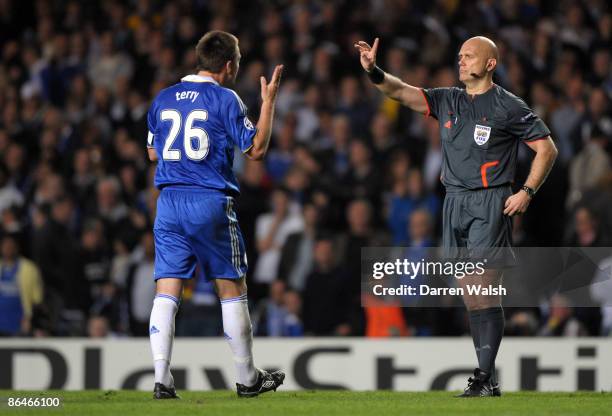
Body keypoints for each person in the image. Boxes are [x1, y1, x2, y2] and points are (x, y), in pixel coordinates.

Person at [355, 36, 558, 396]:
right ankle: (488, 378)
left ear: (490, 64)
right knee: (469, 293)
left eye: (469, 56)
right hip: (454, 202)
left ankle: (483, 375)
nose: (460, 61)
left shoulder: (507, 106)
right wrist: (374, 71)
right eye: (459, 55)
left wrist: (526, 192)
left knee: (481, 288)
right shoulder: (447, 99)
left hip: (488, 202)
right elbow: (400, 92)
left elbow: (547, 148)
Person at [146, 30, 285, 399]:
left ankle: (161, 379)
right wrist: (268, 103)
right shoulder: (226, 98)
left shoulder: (162, 98)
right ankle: (247, 379)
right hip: (208, 200)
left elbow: (152, 153)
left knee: (167, 291)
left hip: (169, 202)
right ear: (229, 65)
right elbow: (255, 150)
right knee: (231, 289)